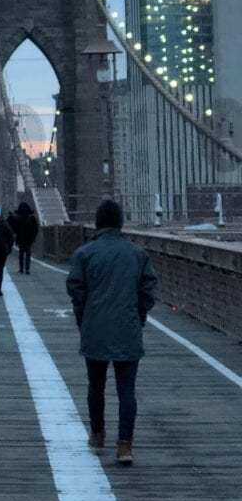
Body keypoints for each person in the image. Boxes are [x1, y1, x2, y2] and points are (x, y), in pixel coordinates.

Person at [66, 199, 157, 465]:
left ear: (98, 223)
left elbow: (76, 289)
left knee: (96, 385)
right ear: (120, 223)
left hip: (94, 328)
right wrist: (139, 315)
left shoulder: (84, 253)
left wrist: (83, 319)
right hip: (127, 328)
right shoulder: (138, 254)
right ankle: (125, 446)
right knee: (127, 390)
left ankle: (97, 436)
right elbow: (147, 288)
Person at [7, 201, 39, 275]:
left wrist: (11, 216)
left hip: (20, 238)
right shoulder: (32, 218)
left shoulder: (18, 218)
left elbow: (13, 228)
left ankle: (21, 269)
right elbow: (36, 229)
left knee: (21, 253)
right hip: (29, 239)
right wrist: (33, 237)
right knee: (28, 253)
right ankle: (27, 269)